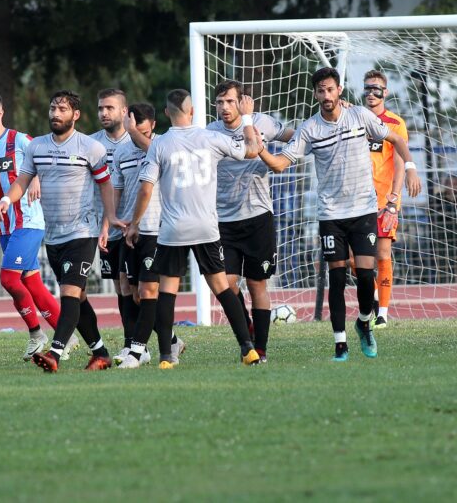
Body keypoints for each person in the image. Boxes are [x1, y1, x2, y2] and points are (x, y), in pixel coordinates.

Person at [257, 67, 422, 361]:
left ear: (340, 90)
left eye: (330, 89)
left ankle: (363, 322)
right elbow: (281, 164)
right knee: (335, 276)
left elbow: (396, 140)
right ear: (316, 94)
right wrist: (260, 149)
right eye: (321, 91)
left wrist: (410, 166)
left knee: (365, 275)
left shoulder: (359, 116)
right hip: (331, 214)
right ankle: (340, 345)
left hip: (364, 210)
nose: (326, 95)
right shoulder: (310, 128)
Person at [122, 89, 262, 369]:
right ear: (193, 111)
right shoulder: (211, 138)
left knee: (167, 291)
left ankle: (165, 357)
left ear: (165, 114)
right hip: (206, 227)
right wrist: (247, 118)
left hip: (173, 229)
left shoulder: (160, 145)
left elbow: (146, 189)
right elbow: (252, 150)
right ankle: (248, 349)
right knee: (222, 287)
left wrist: (134, 223)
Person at [0, 90, 125, 372]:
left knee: (68, 292)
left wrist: (108, 219)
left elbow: (105, 184)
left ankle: (54, 352)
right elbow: (23, 180)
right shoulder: (37, 147)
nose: (55, 114)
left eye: (62, 109)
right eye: (53, 108)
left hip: (82, 232)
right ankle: (100, 352)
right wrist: (7, 199)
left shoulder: (91, 148)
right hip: (53, 235)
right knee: (78, 298)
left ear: (75, 115)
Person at [0, 91, 77, 361]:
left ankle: (37, 335)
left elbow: (44, 162)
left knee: (7, 278)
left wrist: (36, 177)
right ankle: (68, 336)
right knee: (32, 283)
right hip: (4, 225)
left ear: (0, 113)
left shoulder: (21, 140)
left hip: (28, 221)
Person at [206, 80, 294, 363]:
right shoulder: (210, 133)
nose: (224, 108)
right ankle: (248, 330)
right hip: (224, 221)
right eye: (219, 102)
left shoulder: (262, 123)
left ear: (243, 101)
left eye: (230, 102)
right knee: (226, 285)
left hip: (258, 217)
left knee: (257, 285)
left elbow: (290, 135)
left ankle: (262, 348)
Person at [111, 103, 185, 366]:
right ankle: (173, 340)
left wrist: (133, 132)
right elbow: (116, 190)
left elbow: (152, 153)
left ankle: (136, 350)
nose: (135, 135)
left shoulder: (163, 145)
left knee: (148, 289)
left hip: (158, 229)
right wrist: (109, 224)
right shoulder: (121, 151)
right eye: (132, 129)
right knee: (132, 293)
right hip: (130, 231)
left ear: (153, 125)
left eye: (140, 130)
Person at [362, 70, 410, 328]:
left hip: (384, 201)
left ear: (385, 92)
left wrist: (394, 198)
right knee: (354, 259)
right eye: (367, 88)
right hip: (356, 201)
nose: (371, 93)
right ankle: (372, 297)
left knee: (382, 255)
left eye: (376, 88)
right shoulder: (355, 119)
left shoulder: (395, 123)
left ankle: (382, 312)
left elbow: (400, 162)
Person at [91, 89, 131, 334]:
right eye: (100, 108)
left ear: (124, 111)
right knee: (120, 288)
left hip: (134, 226)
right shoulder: (91, 143)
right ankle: (135, 343)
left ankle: (138, 345)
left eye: (110, 108)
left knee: (136, 288)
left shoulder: (137, 140)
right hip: (107, 228)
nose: (104, 113)